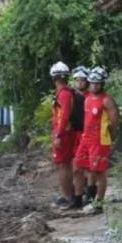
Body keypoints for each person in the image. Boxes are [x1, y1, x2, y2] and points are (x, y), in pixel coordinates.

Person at [78, 66, 119, 214]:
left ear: (102, 84)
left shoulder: (107, 100)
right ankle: (89, 197)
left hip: (100, 140)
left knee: (99, 172)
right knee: (86, 168)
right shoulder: (87, 99)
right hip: (87, 138)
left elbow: (115, 121)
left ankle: (98, 203)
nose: (94, 86)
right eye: (92, 83)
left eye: (97, 83)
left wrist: (110, 135)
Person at [49, 62, 76, 208]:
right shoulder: (63, 93)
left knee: (64, 165)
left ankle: (67, 196)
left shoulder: (64, 94)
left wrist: (58, 135)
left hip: (64, 135)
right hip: (63, 133)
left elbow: (65, 116)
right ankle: (67, 194)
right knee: (64, 165)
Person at [66, 66, 90, 209]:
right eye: (77, 80)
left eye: (83, 80)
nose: (80, 82)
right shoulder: (71, 96)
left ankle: (89, 196)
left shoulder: (90, 97)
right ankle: (77, 198)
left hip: (87, 135)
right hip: (75, 135)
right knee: (77, 168)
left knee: (88, 168)